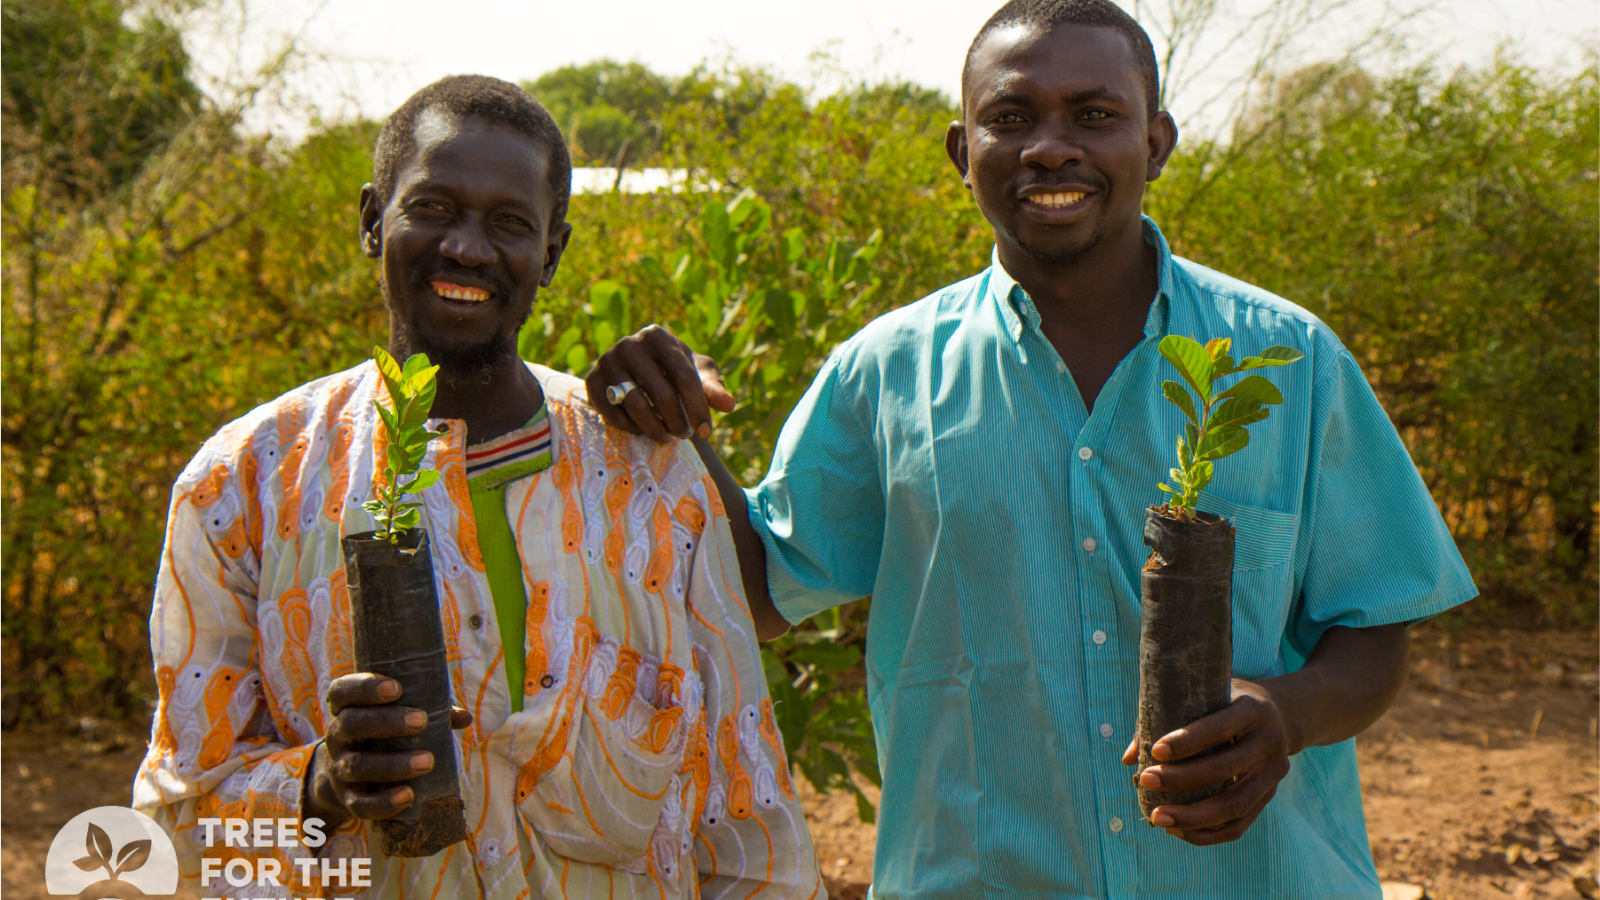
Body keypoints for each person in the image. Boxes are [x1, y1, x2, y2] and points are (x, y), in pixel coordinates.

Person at [587, 1, 1477, 897]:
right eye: (1010, 119)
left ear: (1157, 142)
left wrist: (1287, 712)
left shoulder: (1287, 359)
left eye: (1095, 115)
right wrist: (676, 426)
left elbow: (1372, 630)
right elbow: (757, 593)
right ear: (960, 150)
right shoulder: (885, 375)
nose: (1051, 147)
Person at [133, 75, 823, 899]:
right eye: (432, 208)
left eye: (509, 223)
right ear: (370, 220)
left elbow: (745, 811)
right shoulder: (239, 486)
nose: (466, 247)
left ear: (552, 255)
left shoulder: (649, 478)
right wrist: (318, 786)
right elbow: (179, 824)